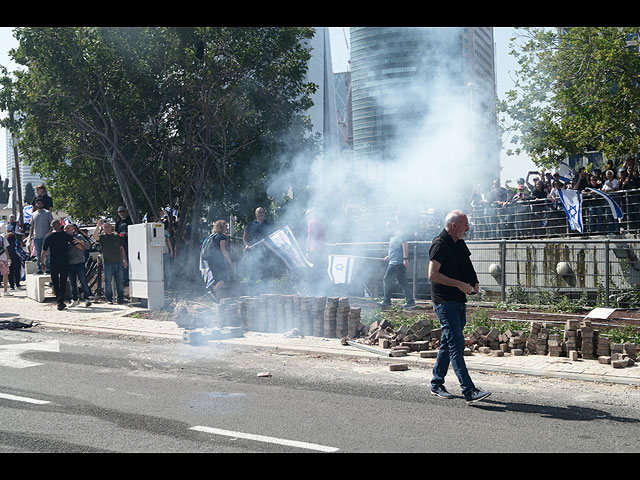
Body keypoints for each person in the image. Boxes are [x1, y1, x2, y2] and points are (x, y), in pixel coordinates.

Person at [428, 210, 491, 405]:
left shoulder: (459, 243)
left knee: (448, 343)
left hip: (458, 301)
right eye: (465, 224)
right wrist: (458, 284)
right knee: (456, 344)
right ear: (454, 225)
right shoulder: (439, 244)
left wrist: (474, 281)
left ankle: (436, 383)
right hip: (444, 302)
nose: (468, 227)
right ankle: (469, 390)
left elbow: (466, 263)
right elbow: (432, 275)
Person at [42, 219, 82, 310]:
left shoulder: (49, 237)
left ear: (52, 226)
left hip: (53, 261)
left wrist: (42, 262)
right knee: (63, 281)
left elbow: (43, 251)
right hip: (64, 261)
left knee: (55, 282)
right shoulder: (65, 235)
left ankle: (59, 302)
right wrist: (83, 248)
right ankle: (61, 301)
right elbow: (75, 244)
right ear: (60, 225)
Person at [378, 219, 416, 310]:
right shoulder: (393, 236)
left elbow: (405, 245)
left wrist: (405, 259)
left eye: (389, 226)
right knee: (403, 282)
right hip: (394, 261)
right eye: (387, 226)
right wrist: (389, 256)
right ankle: (410, 302)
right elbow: (396, 249)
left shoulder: (399, 234)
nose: (387, 228)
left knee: (387, 280)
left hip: (397, 263)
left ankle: (387, 301)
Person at [92, 218, 128, 304]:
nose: (107, 228)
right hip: (108, 263)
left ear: (111, 227)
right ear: (103, 229)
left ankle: (121, 298)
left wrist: (125, 260)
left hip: (118, 262)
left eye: (108, 226)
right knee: (107, 282)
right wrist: (98, 225)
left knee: (120, 282)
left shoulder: (116, 236)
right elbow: (94, 236)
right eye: (105, 227)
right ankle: (109, 299)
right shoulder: (102, 237)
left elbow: (122, 248)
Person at [202, 220, 234, 301]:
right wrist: (229, 260)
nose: (226, 228)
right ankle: (212, 292)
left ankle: (216, 298)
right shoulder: (222, 237)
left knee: (216, 280)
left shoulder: (213, 236)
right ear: (222, 227)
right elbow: (223, 250)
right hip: (218, 261)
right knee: (223, 279)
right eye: (225, 226)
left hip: (211, 260)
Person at [243, 207, 272, 288]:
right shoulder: (251, 224)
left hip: (266, 252)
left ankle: (265, 291)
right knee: (253, 271)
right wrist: (246, 245)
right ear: (256, 214)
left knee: (265, 272)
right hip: (254, 252)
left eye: (262, 212)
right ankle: (249, 291)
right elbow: (245, 236)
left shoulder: (268, 224)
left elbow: (272, 236)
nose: (261, 213)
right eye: (259, 212)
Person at [64, 224, 92, 307]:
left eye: (68, 228)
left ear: (72, 229)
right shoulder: (64, 238)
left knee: (83, 281)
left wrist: (80, 242)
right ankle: (75, 299)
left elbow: (87, 246)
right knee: (72, 283)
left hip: (80, 262)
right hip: (70, 263)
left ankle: (87, 299)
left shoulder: (79, 236)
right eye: (65, 228)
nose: (66, 230)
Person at [26, 198, 54, 274]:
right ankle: (39, 269)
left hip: (46, 238)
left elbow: (52, 226)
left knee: (47, 254)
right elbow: (32, 226)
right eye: (38, 203)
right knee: (38, 254)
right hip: (36, 238)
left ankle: (48, 269)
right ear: (36, 204)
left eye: (41, 203)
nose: (40, 205)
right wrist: (30, 236)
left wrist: (48, 234)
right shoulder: (33, 214)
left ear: (43, 204)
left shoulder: (47, 213)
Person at [115, 206, 134, 286]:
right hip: (122, 244)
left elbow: (135, 230)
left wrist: (127, 234)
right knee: (124, 261)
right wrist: (120, 235)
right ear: (118, 213)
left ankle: (132, 277)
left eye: (123, 211)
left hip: (132, 244)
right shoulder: (118, 222)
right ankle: (125, 279)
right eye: (120, 212)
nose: (122, 213)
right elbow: (116, 233)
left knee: (132, 261)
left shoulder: (130, 219)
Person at [0, 232, 10, 296]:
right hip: (3, 258)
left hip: (4, 258)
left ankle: (5, 291)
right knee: (5, 274)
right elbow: (6, 248)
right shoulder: (2, 237)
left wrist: (8, 257)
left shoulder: (3, 237)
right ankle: (5, 291)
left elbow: (6, 248)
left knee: (5, 274)